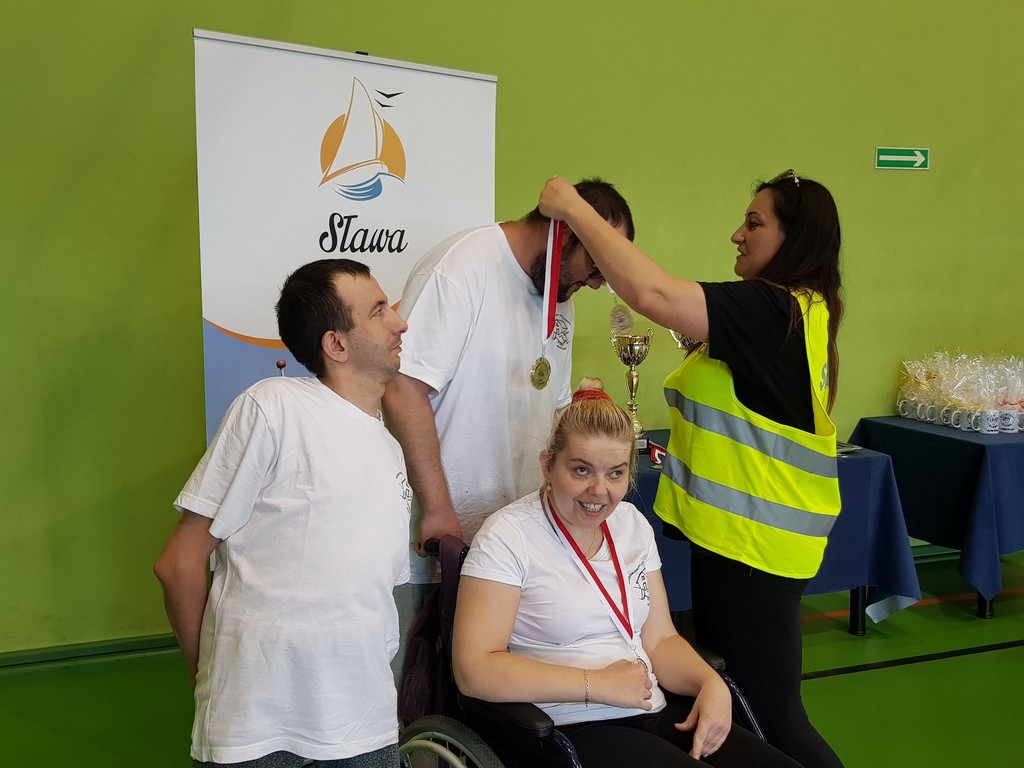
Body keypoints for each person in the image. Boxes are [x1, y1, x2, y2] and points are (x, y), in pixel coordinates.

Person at [537, 171, 845, 768]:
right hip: (742, 546)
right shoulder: (801, 312)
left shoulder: (774, 309)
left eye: (755, 223)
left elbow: (653, 294)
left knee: (770, 718)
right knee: (750, 713)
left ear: (796, 239)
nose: (737, 234)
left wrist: (573, 207)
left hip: (753, 549)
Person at [452, 379, 801, 768]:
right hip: (569, 726)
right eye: (581, 470)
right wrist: (596, 684)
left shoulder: (631, 524)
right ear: (547, 465)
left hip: (651, 707)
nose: (599, 490)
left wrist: (710, 683)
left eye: (615, 474)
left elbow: (661, 639)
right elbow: (474, 670)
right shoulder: (508, 535)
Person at [154, 259, 411, 768]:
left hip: (364, 722)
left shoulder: (389, 448)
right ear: (336, 345)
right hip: (255, 727)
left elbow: (371, 595)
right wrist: (210, 681)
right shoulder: (272, 407)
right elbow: (178, 564)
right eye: (379, 312)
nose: (399, 323)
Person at [381, 180, 634, 612]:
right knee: (425, 655)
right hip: (438, 540)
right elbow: (402, 387)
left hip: (511, 547)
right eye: (596, 265)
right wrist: (438, 509)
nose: (596, 284)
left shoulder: (560, 297)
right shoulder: (463, 265)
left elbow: (554, 410)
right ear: (565, 232)